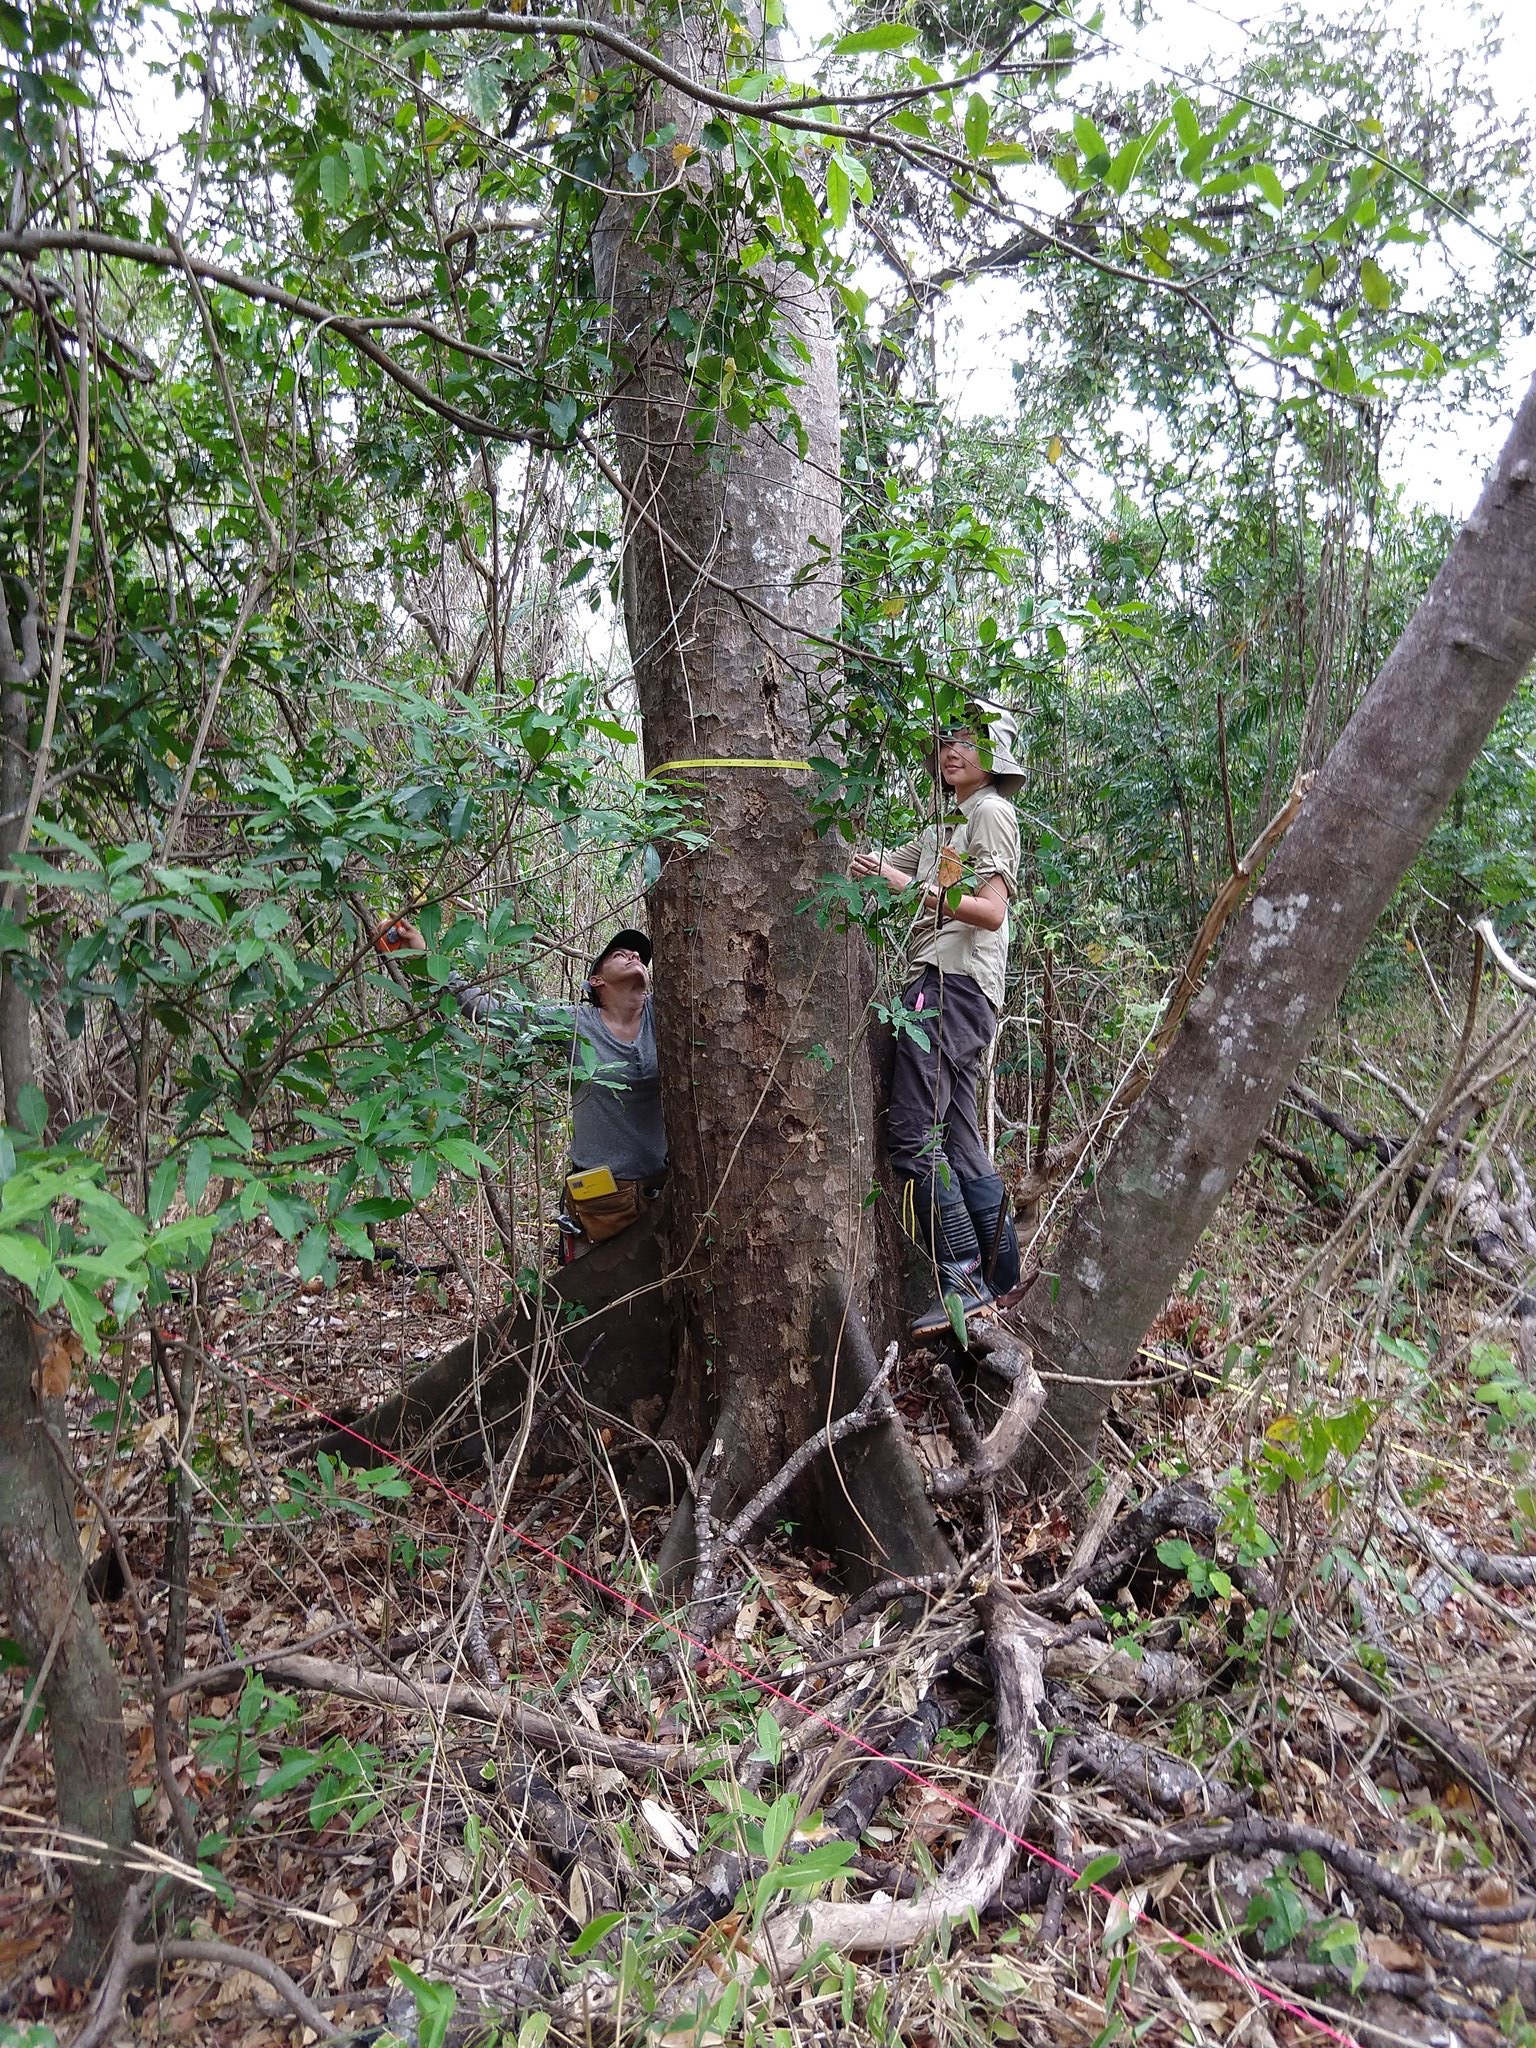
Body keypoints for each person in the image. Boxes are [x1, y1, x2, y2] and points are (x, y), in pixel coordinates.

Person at [849, 701, 1026, 1337]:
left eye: (970, 743)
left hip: (951, 987)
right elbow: (895, 863)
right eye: (947, 741)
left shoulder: (990, 812)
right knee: (958, 1139)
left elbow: (990, 910)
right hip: (956, 986)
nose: (953, 750)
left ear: (996, 755)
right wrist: (876, 865)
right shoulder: (951, 824)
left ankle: (961, 1276)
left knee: (913, 1138)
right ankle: (1001, 1271)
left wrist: (907, 882)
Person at [378, 918, 667, 1254]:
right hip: (600, 1200)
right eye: (620, 953)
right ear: (596, 980)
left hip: (663, 1191)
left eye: (638, 954)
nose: (633, 954)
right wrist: (427, 961)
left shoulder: (669, 1015)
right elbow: (490, 1011)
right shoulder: (574, 1022)